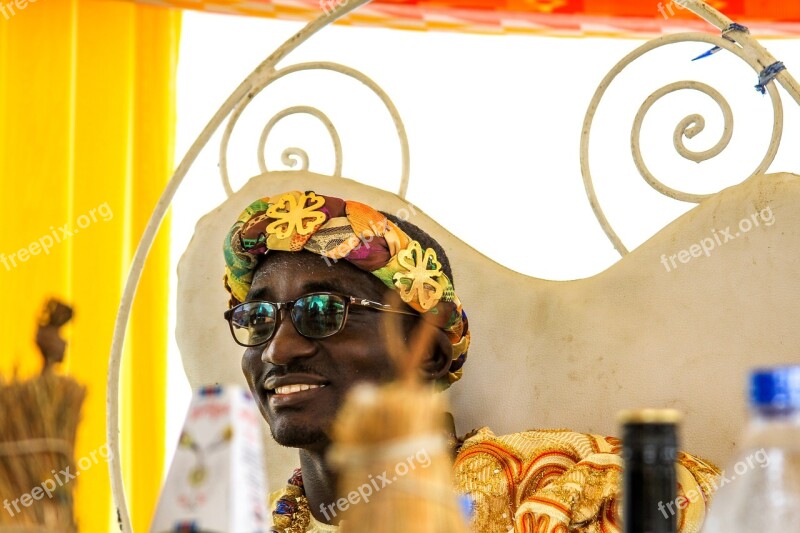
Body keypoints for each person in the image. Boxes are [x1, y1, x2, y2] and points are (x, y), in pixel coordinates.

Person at [222, 190, 720, 532]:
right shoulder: (249, 520)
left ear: (430, 354)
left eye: (325, 310)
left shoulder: (541, 484)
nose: (278, 348)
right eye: (258, 317)